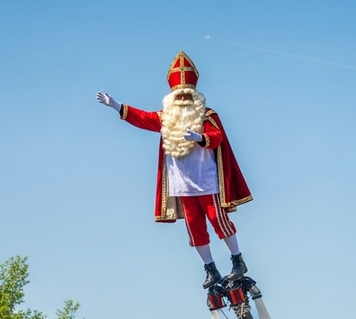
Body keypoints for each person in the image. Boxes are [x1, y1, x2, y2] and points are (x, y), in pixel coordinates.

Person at [96, 51, 253, 289]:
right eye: (178, 95)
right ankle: (211, 269)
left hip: (206, 181)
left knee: (217, 220)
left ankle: (237, 261)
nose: (181, 99)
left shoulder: (207, 115)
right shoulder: (165, 118)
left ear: (194, 96)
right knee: (194, 227)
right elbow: (143, 118)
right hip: (182, 185)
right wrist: (116, 106)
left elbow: (218, 137)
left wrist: (200, 137)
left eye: (186, 95)